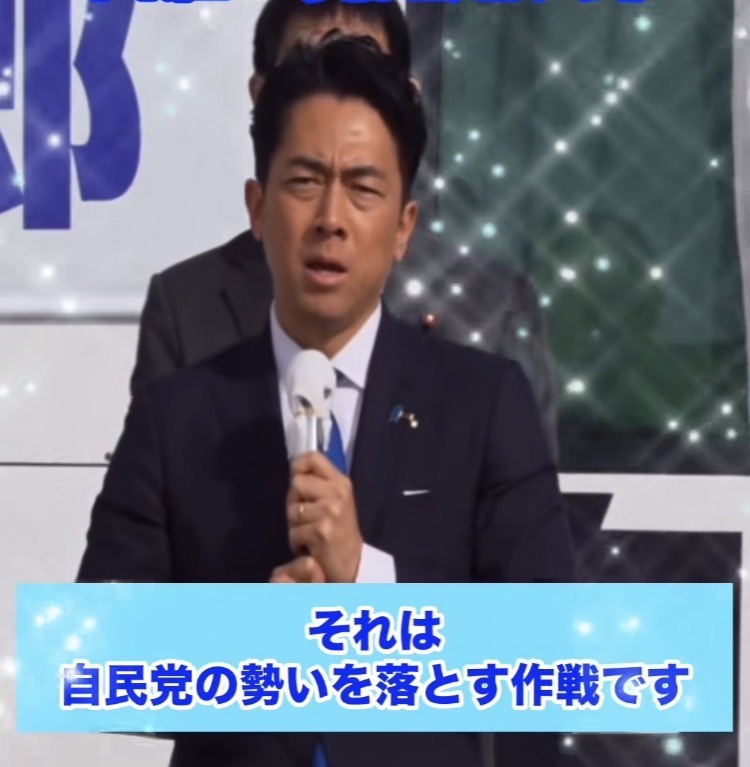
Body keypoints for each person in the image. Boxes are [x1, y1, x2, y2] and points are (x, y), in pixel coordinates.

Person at [78, 36, 574, 766]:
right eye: (305, 182)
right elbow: (98, 658)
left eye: (363, 188)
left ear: (403, 228)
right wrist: (256, 644)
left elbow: (552, 650)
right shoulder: (177, 415)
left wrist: (370, 585)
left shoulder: (485, 403)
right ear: (257, 208)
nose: (331, 218)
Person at [129, 0, 559, 454]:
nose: (335, 91)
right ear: (261, 95)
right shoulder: (186, 310)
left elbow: (523, 493)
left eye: (363, 67)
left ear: (408, 100)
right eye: (307, 65)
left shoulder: (490, 309)